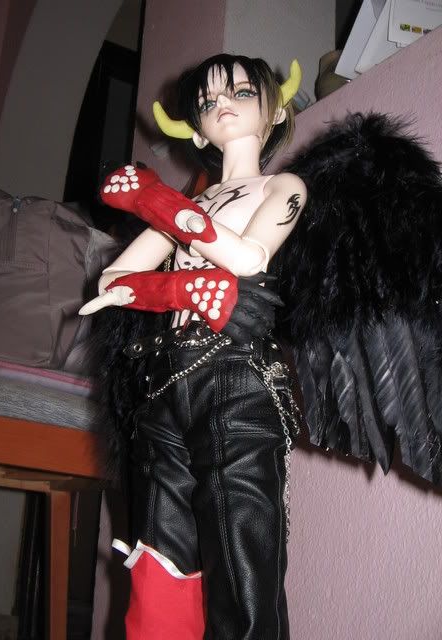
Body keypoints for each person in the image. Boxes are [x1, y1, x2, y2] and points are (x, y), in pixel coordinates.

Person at [80, 53, 306, 640]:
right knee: (159, 562)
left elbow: (249, 259)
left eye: (240, 92)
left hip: (237, 375)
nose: (221, 103)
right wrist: (183, 288)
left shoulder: (282, 186)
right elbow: (112, 284)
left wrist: (155, 201)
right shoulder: (193, 206)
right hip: (163, 382)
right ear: (197, 130)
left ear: (276, 111)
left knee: (241, 564)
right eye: (207, 101)